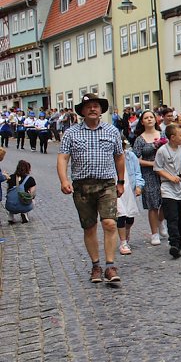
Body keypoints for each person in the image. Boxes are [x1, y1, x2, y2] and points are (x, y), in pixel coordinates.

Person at [57, 93, 125, 284]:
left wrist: (121, 181)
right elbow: (63, 157)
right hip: (82, 186)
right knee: (89, 227)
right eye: (89, 106)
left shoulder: (112, 131)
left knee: (110, 223)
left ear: (101, 109)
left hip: (106, 185)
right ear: (82, 111)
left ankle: (110, 265)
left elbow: (119, 157)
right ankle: (96, 265)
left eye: (96, 106)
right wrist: (63, 180)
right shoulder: (71, 133)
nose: (93, 109)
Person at [155, 124, 181, 259]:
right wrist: (170, 177)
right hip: (168, 188)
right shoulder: (162, 151)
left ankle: (180, 238)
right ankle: (174, 244)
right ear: (172, 137)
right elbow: (158, 168)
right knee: (172, 216)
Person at [133, 110, 167, 246]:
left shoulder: (163, 135)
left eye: (151, 117)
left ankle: (161, 221)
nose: (149, 120)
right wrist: (151, 163)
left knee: (166, 200)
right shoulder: (140, 139)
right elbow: (134, 159)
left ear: (155, 120)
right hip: (148, 173)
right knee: (153, 204)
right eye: (146, 118)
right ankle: (154, 233)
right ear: (142, 122)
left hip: (164, 171)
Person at [116, 138, 144, 255]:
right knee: (120, 214)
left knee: (130, 217)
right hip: (115, 187)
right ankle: (123, 242)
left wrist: (139, 185)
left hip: (129, 187)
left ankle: (126, 231)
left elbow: (137, 172)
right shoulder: (109, 156)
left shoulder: (130, 156)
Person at [6, 159, 36, 223]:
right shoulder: (30, 179)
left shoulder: (10, 177)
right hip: (23, 204)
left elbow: (8, 191)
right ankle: (24, 212)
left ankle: (11, 216)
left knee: (12, 197)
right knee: (32, 201)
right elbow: (32, 194)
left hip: (10, 205)